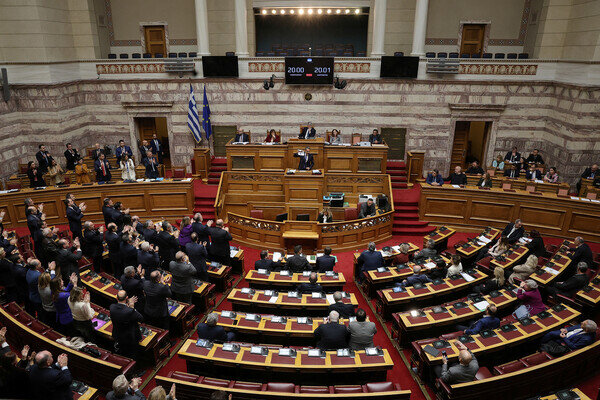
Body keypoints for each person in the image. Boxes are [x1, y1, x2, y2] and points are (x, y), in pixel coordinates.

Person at [110, 290, 143, 360]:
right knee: (132, 354)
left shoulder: (112, 307)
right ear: (127, 297)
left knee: (122, 351)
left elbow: (121, 310)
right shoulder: (129, 311)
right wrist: (131, 307)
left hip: (117, 335)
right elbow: (140, 318)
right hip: (129, 338)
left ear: (117, 298)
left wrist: (127, 305)